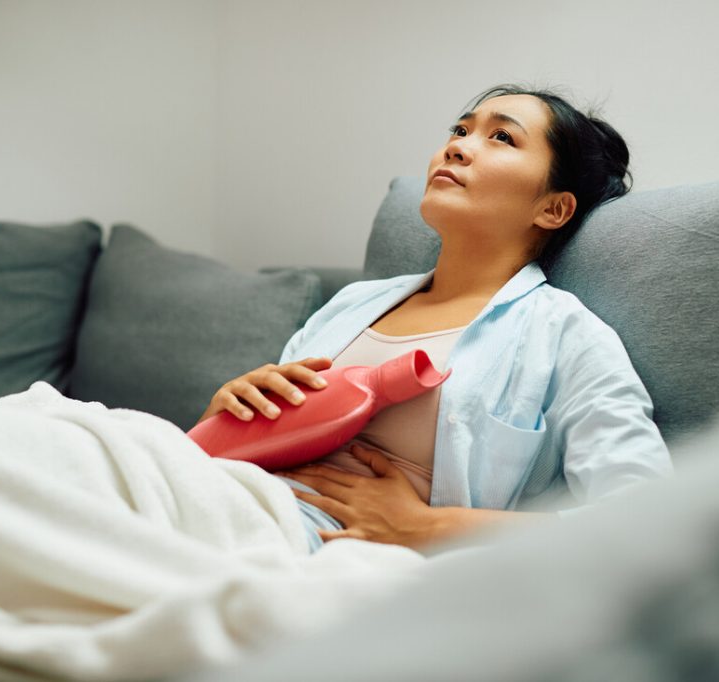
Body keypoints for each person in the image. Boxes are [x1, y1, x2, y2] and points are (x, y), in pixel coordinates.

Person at [195, 84, 673, 552]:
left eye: (502, 137)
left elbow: (644, 519)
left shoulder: (567, 336)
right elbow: (248, 447)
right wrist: (224, 416)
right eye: (460, 130)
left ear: (553, 208)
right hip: (231, 498)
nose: (458, 147)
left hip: (317, 551)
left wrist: (427, 526)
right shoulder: (351, 305)